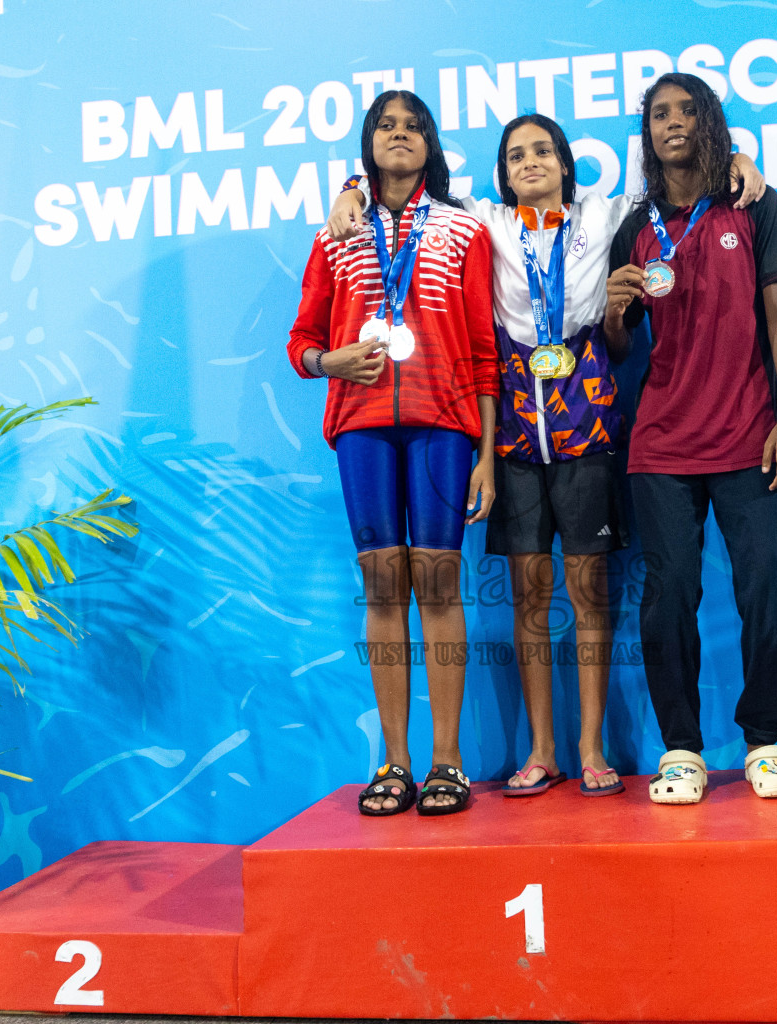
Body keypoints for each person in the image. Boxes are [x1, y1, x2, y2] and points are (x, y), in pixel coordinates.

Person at [328, 114, 766, 798]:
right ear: (502, 174)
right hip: (513, 432)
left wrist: (736, 157)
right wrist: (353, 186)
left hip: (588, 421)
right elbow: (400, 190)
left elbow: (679, 182)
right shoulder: (482, 221)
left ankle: (592, 748)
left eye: (542, 151)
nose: (529, 162)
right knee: (531, 597)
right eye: (515, 155)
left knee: (591, 594)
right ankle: (541, 750)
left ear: (567, 164)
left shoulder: (610, 210)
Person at [287, 91, 498, 816]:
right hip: (362, 426)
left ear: (431, 145)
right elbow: (300, 339)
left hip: (444, 424)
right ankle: (394, 762)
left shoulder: (464, 231)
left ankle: (448, 762)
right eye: (386, 126)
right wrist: (329, 362)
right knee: (383, 588)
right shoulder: (335, 233)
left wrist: (487, 454)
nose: (399, 136)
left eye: (413, 127)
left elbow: (481, 348)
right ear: (367, 144)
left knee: (438, 585)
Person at [604, 72, 777, 805]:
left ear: (710, 122)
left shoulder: (752, 203)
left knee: (768, 589)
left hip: (751, 433)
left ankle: (764, 741)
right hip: (661, 443)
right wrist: (615, 313)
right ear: (647, 134)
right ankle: (682, 749)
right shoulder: (633, 227)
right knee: (667, 599)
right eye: (659, 114)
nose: (673, 123)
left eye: (688, 110)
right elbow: (621, 351)